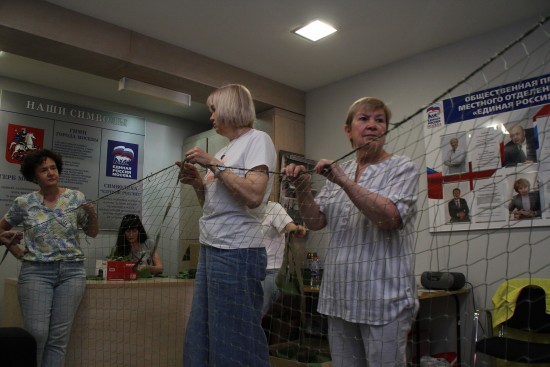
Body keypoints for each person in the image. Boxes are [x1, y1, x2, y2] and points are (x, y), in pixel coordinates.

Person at [284, 97, 419, 367]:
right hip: (340, 296)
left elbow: (391, 217)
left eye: (379, 120)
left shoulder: (403, 168)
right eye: (364, 118)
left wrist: (343, 181)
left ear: (386, 130)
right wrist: (302, 187)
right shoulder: (341, 171)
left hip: (384, 299)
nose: (372, 125)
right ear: (348, 130)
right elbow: (315, 221)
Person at [176, 84, 276, 367]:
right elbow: (214, 207)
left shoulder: (259, 140)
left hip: (237, 252)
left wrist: (212, 165)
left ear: (231, 108)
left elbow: (254, 196)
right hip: (212, 249)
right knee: (203, 329)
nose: (211, 117)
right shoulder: (225, 151)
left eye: (214, 109)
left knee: (235, 335)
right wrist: (198, 183)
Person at [0, 149, 99, 367]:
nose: (50, 172)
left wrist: (91, 213)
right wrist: (15, 249)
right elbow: (1, 230)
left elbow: (92, 232)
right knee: (36, 335)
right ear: (34, 176)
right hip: (36, 272)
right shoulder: (23, 202)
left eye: (53, 168)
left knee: (58, 338)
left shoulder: (76, 197)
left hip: (72, 273)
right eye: (43, 169)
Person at [261, 201, 306, 316]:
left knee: (260, 315)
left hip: (271, 271)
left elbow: (288, 225)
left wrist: (295, 229)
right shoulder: (245, 207)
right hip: (249, 270)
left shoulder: (274, 207)